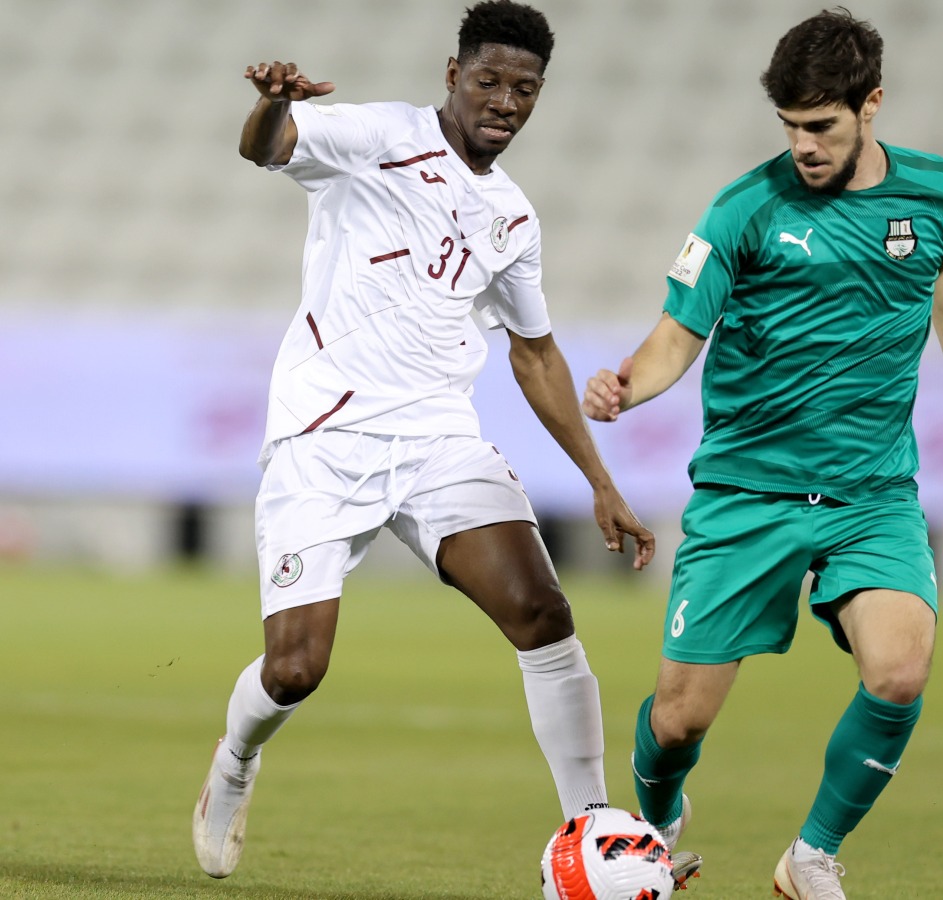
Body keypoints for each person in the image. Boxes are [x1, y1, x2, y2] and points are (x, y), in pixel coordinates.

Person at [191, 0, 657, 881]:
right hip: (324, 437)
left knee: (544, 616)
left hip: (439, 439)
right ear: (453, 76)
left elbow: (535, 352)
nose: (505, 102)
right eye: (489, 80)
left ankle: (590, 831)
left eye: (525, 89)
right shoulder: (378, 137)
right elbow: (266, 146)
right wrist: (273, 102)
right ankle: (237, 759)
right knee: (295, 669)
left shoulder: (514, 218)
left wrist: (599, 480)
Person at [582, 8, 943, 899]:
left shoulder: (942, 193)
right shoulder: (746, 208)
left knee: (901, 669)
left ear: (872, 104)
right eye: (791, 126)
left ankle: (810, 856)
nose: (804, 146)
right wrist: (628, 384)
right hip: (748, 492)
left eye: (822, 125)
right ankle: (657, 820)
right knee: (678, 719)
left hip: (871, 493)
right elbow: (674, 335)